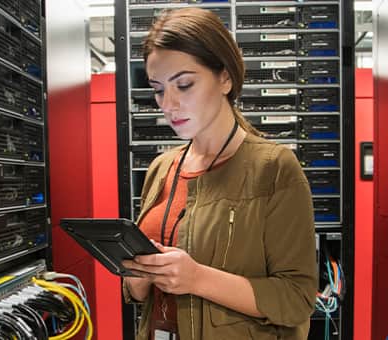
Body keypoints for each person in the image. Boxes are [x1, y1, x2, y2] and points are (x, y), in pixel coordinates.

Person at [120, 7, 318, 340]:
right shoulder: (161, 168)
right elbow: (140, 295)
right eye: (158, 89)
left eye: (184, 85)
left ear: (225, 78)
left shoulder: (274, 168)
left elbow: (296, 298)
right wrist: (138, 278)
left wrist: (197, 278)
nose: (168, 104)